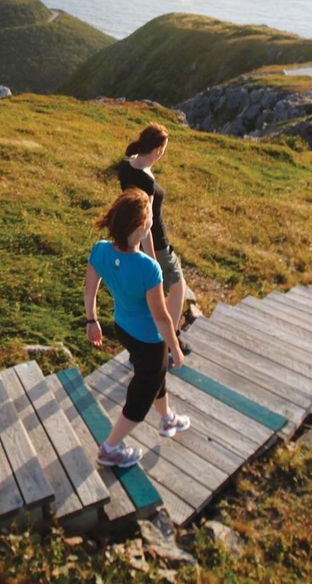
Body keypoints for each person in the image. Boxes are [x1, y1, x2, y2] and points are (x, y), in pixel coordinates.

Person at [85, 187, 190, 468]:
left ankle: (167, 418)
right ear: (143, 225)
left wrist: (92, 320)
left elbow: (89, 292)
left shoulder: (100, 250)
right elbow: (162, 318)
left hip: (123, 328)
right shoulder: (147, 268)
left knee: (154, 374)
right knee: (142, 391)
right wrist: (175, 348)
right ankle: (110, 448)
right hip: (149, 338)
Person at [118, 122, 191, 355]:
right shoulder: (147, 181)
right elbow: (146, 222)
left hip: (130, 237)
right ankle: (169, 340)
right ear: (158, 149)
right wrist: (149, 257)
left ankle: (157, 334)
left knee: (150, 295)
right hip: (156, 243)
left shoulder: (127, 165)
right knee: (178, 287)